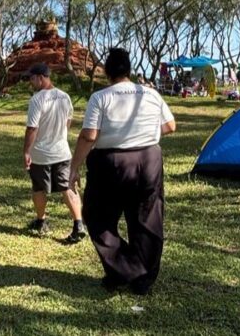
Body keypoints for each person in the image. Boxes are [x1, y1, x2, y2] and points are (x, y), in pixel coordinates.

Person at [69, 48, 176, 295]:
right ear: (129, 70)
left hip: (111, 163)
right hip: (149, 160)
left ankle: (124, 270)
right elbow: (170, 126)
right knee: (147, 219)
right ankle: (143, 279)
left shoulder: (100, 97)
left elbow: (89, 136)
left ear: (107, 72)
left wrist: (74, 167)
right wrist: (143, 133)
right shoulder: (151, 94)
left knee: (97, 217)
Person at [23, 63, 86, 243]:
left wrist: (26, 151)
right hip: (62, 152)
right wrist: (60, 136)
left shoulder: (37, 99)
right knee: (68, 187)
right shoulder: (65, 96)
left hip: (41, 154)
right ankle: (78, 224)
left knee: (38, 187)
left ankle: (41, 221)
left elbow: (32, 128)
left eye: (32, 78)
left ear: (40, 77)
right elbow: (68, 121)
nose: (30, 82)